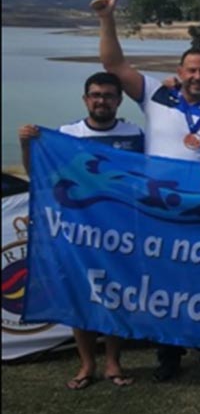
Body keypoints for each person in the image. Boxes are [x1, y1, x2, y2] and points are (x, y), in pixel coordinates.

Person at [92, 0, 200, 383]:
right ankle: (169, 354)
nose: (196, 76)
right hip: (157, 211)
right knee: (162, 283)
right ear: (181, 70)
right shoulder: (156, 94)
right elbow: (113, 64)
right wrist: (107, 19)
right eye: (191, 70)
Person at [18, 72, 144, 390]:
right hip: (77, 231)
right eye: (96, 94)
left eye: (108, 95)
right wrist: (25, 144)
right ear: (86, 99)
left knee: (116, 294)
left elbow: (146, 178)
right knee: (80, 297)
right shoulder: (66, 135)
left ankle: (113, 362)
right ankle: (86, 364)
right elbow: (40, 174)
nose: (102, 100)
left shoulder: (135, 134)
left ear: (119, 100)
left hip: (118, 229)